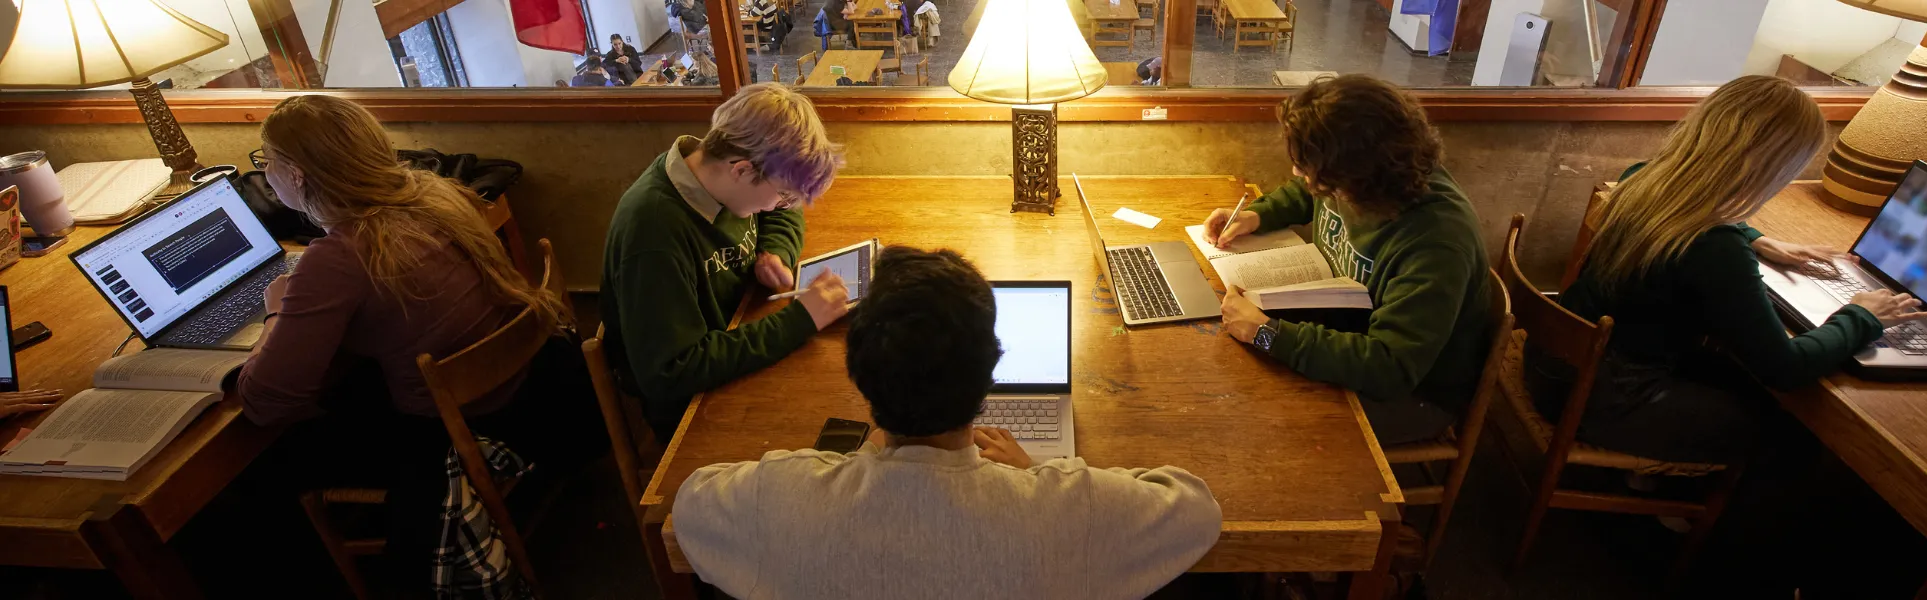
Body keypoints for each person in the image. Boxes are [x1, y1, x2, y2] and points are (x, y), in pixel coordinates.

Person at [672, 246, 1223, 598]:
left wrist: (832, 468)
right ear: (989, 380)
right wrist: (1038, 474)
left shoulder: (783, 496)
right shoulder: (1067, 510)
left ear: (861, 378)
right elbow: (1197, 510)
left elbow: (691, 502)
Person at [236, 94, 600, 589]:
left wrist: (279, 307)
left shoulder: (339, 258)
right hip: (531, 394)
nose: (267, 175)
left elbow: (266, 401)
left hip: (454, 429)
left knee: (267, 462)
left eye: (266, 162)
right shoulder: (435, 194)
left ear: (296, 174)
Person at [1531, 75, 1927, 464]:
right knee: (1794, 428)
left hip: (1556, 366)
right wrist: (1862, 315)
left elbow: (1696, 223)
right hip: (1604, 401)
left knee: (1733, 373)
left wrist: (1753, 237)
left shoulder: (1641, 178)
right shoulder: (1714, 247)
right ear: (1776, 167)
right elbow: (1785, 367)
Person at [1202, 74, 1496, 446]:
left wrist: (1267, 334)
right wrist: (1258, 214)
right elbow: (1309, 191)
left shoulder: (1436, 241)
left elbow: (1390, 368)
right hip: (1345, 332)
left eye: (1307, 167)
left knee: (1251, 421)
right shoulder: (1359, 178)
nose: (1298, 172)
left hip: (1413, 396)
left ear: (1356, 174)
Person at [601, 82, 850, 438]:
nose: (780, 205)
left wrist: (776, 251)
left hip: (739, 327)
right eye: (781, 195)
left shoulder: (714, 171)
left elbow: (780, 214)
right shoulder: (653, 234)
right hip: (691, 406)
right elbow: (672, 371)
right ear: (742, 171)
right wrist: (799, 321)